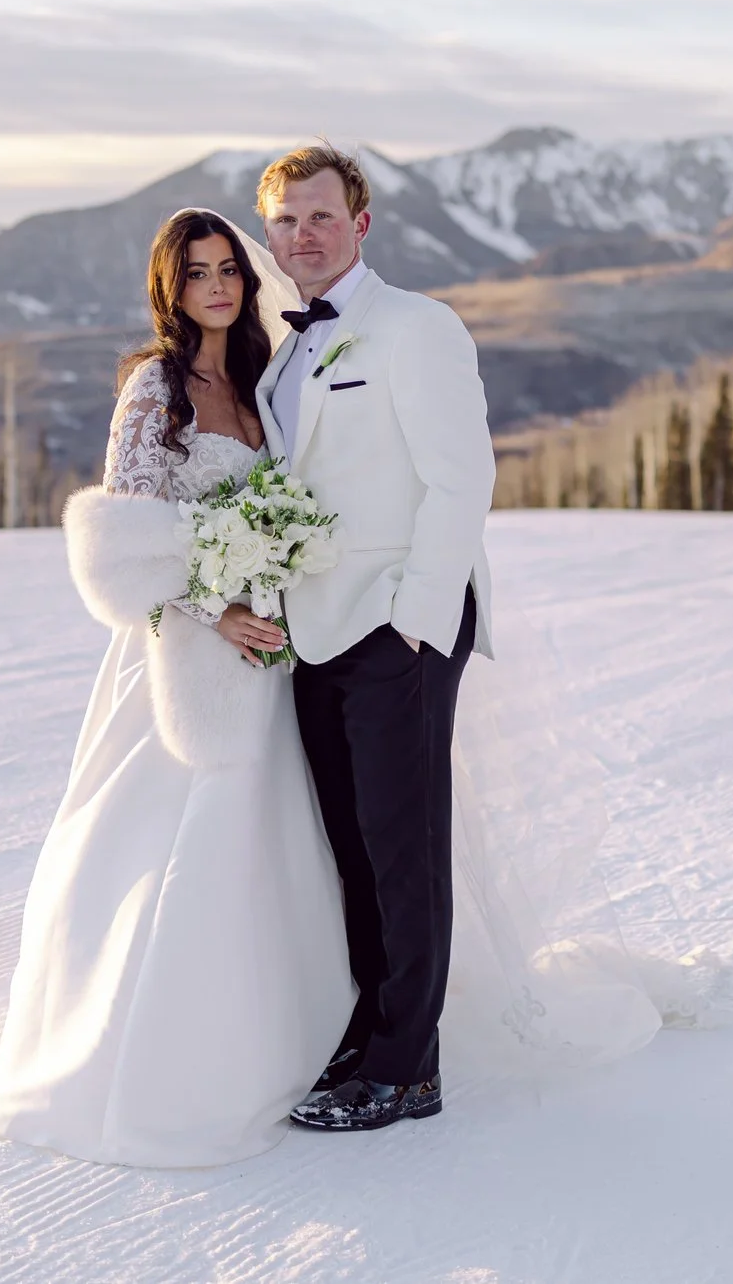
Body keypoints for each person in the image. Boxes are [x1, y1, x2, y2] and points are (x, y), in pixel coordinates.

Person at [0, 209, 353, 1168]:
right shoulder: (155, 386)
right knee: (153, 839)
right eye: (198, 272)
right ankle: (143, 1051)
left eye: (229, 269)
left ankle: (279, 1034)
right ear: (169, 288)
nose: (218, 285)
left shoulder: (265, 380)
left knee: (265, 837)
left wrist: (277, 575)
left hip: (266, 652)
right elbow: (124, 539)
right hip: (179, 649)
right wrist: (214, 607)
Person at [250, 144, 499, 1133]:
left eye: (321, 215)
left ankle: (408, 1068)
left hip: (400, 621)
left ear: (360, 224)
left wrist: (416, 621)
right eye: (284, 219)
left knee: (406, 850)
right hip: (314, 628)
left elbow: (461, 479)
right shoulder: (285, 348)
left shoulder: (417, 326)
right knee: (353, 851)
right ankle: (370, 1030)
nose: (302, 234)